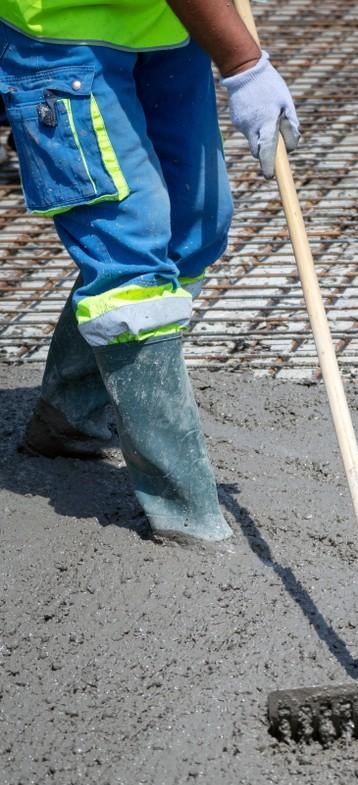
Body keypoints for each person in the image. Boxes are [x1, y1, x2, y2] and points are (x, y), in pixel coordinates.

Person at [0, 1, 299, 543]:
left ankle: (69, 417)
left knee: (196, 228)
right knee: (131, 265)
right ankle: (185, 513)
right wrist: (243, 63)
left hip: (170, 27)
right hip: (66, 36)